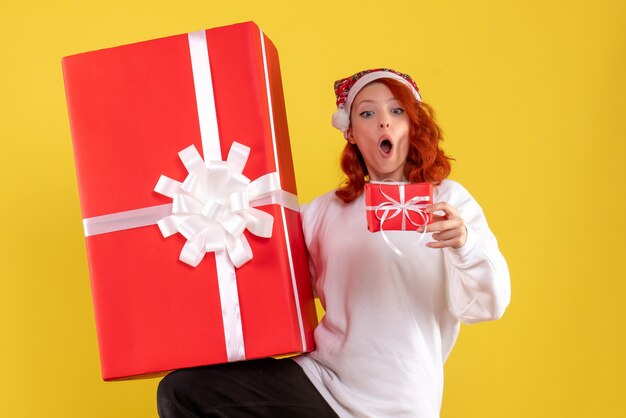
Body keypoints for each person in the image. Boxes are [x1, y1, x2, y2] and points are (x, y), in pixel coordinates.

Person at [157, 68, 511, 418]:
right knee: (184, 390)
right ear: (352, 133)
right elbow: (269, 281)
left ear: (412, 124)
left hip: (401, 402)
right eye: (367, 113)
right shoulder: (326, 210)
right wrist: (214, 212)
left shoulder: (449, 200)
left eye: (396, 110)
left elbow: (486, 306)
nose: (383, 122)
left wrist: (465, 245)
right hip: (321, 381)